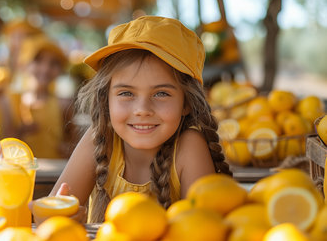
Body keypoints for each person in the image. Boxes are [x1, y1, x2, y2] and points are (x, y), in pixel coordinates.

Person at [34, 15, 231, 223]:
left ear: (186, 104)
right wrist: (57, 218)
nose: (142, 110)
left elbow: (203, 230)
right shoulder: (100, 139)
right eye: (126, 93)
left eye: (161, 93)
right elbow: (51, 214)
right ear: (105, 99)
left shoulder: (189, 147)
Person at [6, 33, 76, 159]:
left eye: (53, 63)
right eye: (38, 60)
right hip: (22, 172)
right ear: (25, 65)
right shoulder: (13, 102)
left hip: (54, 175)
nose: (45, 69)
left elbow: (73, 143)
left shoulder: (63, 105)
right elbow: (5, 145)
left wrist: (67, 148)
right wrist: (20, 131)